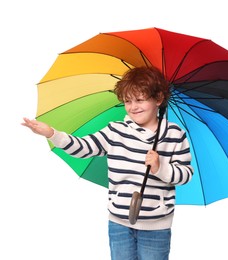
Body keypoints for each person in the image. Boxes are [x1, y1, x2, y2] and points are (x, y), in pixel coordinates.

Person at [22, 66, 193, 260]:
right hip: (119, 221)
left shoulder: (174, 134)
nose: (133, 107)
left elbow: (186, 174)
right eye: (127, 101)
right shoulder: (116, 131)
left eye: (140, 99)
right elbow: (84, 147)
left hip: (157, 225)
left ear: (158, 99)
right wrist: (53, 134)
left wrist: (160, 167)